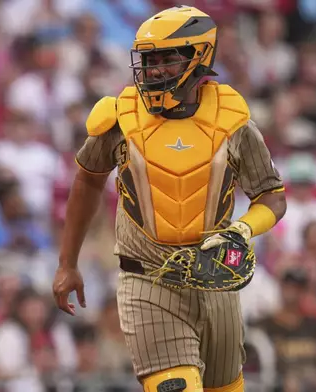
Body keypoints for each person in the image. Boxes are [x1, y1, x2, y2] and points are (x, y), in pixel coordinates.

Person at [52, 5, 287, 391]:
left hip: (216, 280)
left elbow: (272, 197)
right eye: (148, 60)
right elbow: (87, 182)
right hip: (148, 280)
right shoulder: (119, 118)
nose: (154, 69)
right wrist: (67, 263)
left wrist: (243, 229)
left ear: (199, 57)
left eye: (166, 59)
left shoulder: (234, 120)